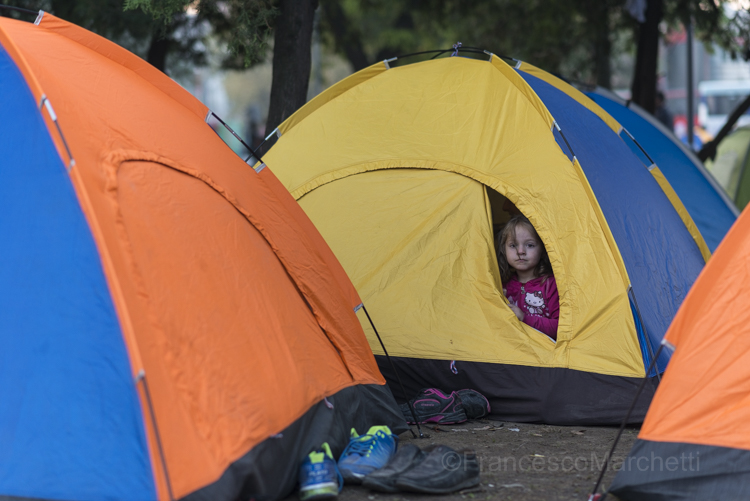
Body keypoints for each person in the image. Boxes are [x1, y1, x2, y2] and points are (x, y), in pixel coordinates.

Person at [496, 215, 559, 340]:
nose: (520, 251)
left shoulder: (550, 285)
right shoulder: (502, 285)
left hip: (543, 353)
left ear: (542, 249)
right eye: (513, 245)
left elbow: (561, 328)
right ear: (504, 249)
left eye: (529, 245)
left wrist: (524, 318)